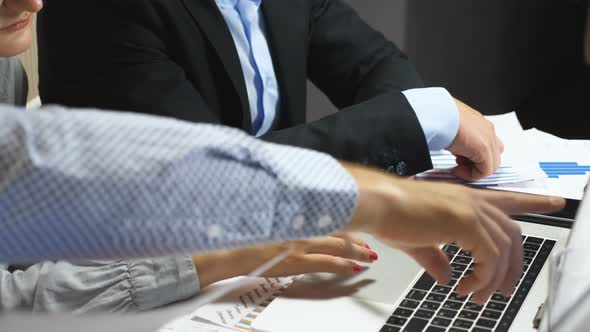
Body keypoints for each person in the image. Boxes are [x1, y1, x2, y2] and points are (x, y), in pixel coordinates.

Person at [0, 0, 565, 307]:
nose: (34, 1)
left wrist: (385, 180)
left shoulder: (4, 66)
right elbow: (188, 179)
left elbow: (369, 61)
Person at [38, 0, 504, 181]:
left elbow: (372, 65)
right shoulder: (100, 9)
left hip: (269, 241)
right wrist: (421, 119)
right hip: (145, 275)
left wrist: (414, 119)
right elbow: (212, 175)